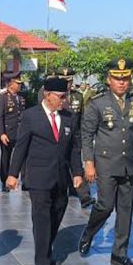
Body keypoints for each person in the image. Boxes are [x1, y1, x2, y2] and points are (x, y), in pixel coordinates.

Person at [78, 58, 133, 265]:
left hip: (129, 164)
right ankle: (89, 232)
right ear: (108, 80)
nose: (122, 82)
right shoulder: (97, 103)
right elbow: (87, 135)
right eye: (117, 78)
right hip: (106, 164)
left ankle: (119, 254)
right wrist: (89, 163)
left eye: (125, 79)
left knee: (125, 209)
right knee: (105, 205)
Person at [6, 77, 83, 265]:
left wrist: (77, 172)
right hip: (38, 176)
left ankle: (46, 248)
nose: (64, 100)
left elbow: (74, 148)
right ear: (47, 95)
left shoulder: (69, 117)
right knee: (41, 218)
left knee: (58, 211)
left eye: (65, 96)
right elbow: (21, 146)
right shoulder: (31, 116)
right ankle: (43, 262)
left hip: (61, 176)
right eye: (60, 97)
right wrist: (13, 174)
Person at [57, 68, 93, 207]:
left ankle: (84, 196)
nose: (67, 83)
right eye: (64, 81)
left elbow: (82, 117)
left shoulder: (78, 96)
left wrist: (84, 135)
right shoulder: (53, 95)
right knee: (62, 165)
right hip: (59, 136)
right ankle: (71, 187)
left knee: (76, 164)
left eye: (69, 81)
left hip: (75, 136)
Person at [0, 72, 25, 192]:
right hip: (7, 133)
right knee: (5, 158)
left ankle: (25, 181)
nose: (20, 85)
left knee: (23, 156)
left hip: (20, 132)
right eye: (18, 83)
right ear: (11, 84)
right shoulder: (2, 97)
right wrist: (2, 133)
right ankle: (4, 181)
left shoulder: (21, 97)